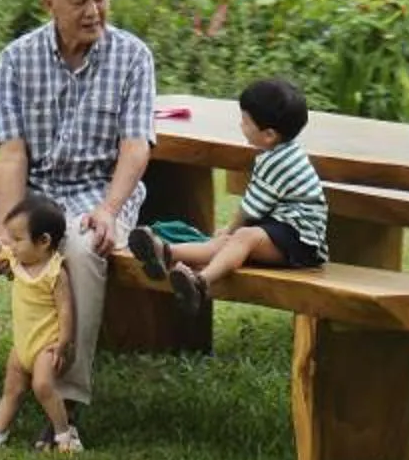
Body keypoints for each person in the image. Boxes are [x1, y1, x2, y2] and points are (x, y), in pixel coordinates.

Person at [0, 0, 156, 441]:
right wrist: (11, 232)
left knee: (82, 250)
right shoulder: (16, 59)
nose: (93, 11)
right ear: (48, 3)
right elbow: (11, 155)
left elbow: (135, 148)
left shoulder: (134, 56)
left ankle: (67, 404)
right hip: (28, 196)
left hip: (97, 193)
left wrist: (109, 211)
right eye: (79, 2)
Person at [129, 75, 326, 302]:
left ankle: (200, 282)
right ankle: (165, 252)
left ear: (269, 135)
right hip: (281, 231)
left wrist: (230, 228)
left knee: (241, 236)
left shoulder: (278, 161)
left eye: (245, 122)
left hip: (301, 242)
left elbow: (250, 209)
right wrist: (229, 234)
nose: (241, 126)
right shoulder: (281, 152)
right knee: (227, 243)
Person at [0, 193, 82, 455]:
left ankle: (63, 434)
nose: (10, 244)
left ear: (44, 242)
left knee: (43, 386)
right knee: (11, 389)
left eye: (17, 239)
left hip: (46, 345)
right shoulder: (15, 260)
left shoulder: (54, 272)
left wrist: (63, 344)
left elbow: (66, 310)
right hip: (22, 343)